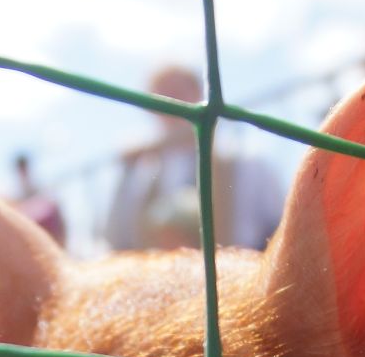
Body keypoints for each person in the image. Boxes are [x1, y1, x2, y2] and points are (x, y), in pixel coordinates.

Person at [104, 64, 283, 253]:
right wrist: (126, 170)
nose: (170, 103)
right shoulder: (141, 179)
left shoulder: (248, 163)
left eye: (178, 92)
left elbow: (278, 225)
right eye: (160, 96)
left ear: (200, 94)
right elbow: (116, 239)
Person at [10, 152, 66, 246]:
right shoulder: (15, 197)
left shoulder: (41, 191)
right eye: (21, 168)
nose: (23, 171)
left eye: (24, 167)